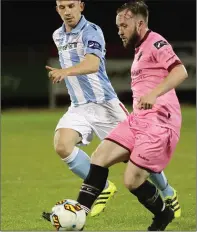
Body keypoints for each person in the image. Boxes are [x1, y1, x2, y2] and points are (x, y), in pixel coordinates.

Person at [42, 0, 182, 222]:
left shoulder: (92, 31)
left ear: (81, 6)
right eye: (62, 7)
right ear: (56, 9)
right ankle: (103, 187)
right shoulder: (57, 35)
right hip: (78, 106)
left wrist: (64, 72)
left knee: (139, 155)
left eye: (71, 6)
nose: (67, 11)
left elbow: (92, 64)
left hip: (104, 105)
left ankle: (167, 192)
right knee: (62, 145)